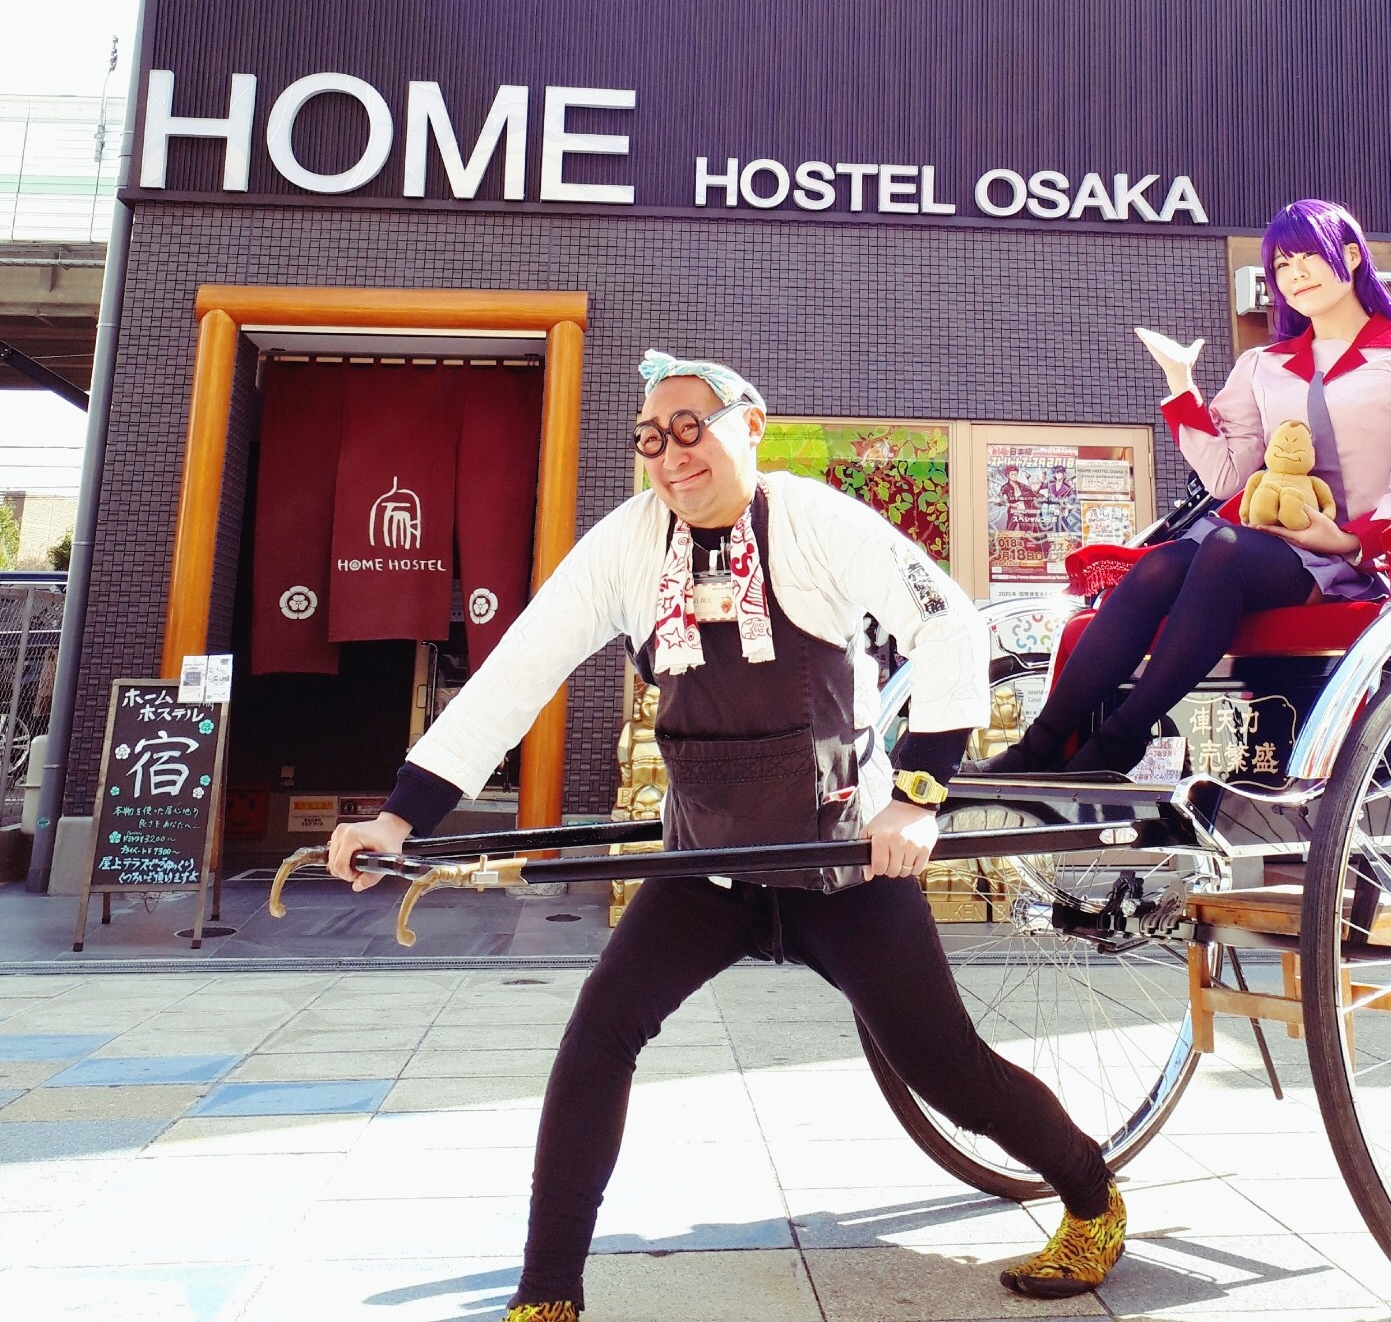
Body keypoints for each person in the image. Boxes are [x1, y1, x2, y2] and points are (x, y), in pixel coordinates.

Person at [328, 350, 1127, 1316]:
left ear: (749, 426)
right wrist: (400, 816)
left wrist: (916, 797)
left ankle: (1091, 1196)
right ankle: (546, 1294)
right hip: (707, 865)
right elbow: (517, 671)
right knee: (597, 1036)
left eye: (690, 429)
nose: (670, 455)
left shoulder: (816, 520)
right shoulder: (629, 542)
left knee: (945, 1069)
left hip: (843, 864)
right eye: (650, 438)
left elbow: (948, 625)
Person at [986, 199, 1391, 777]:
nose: (1294, 275)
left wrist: (1347, 541)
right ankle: (1042, 744)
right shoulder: (1262, 365)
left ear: (1350, 256)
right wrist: (1181, 385)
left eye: (1307, 256)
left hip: (1348, 560)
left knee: (1221, 548)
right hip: (1261, 548)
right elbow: (1227, 476)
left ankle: (1119, 740)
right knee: (1160, 565)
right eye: (1282, 265)